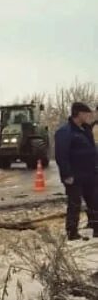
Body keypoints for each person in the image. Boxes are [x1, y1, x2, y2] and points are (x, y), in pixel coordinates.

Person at [54, 101, 97, 240]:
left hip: (90, 174)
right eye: (86, 113)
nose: (88, 116)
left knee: (94, 202)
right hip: (74, 176)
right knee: (74, 204)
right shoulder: (65, 132)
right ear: (78, 114)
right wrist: (67, 174)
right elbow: (61, 155)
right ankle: (72, 232)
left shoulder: (86, 130)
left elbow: (91, 150)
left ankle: (96, 228)